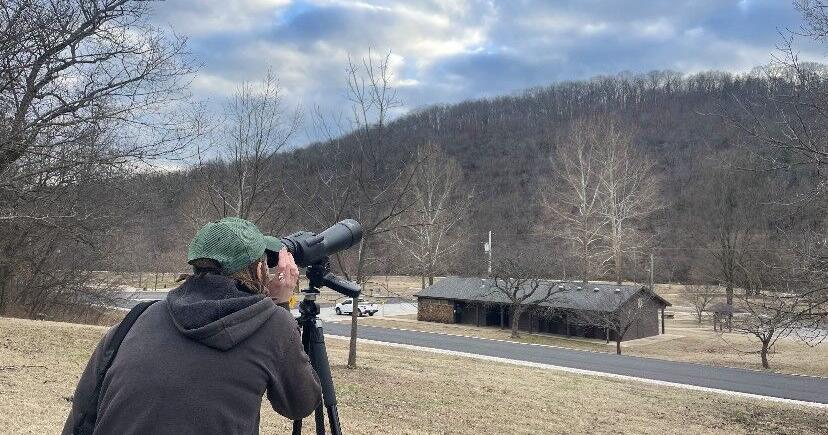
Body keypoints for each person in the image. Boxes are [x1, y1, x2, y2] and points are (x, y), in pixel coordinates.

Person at [62, 217, 322, 435]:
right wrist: (281, 303)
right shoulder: (271, 324)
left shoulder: (137, 318)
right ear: (257, 269)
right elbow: (300, 404)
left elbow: (82, 414)